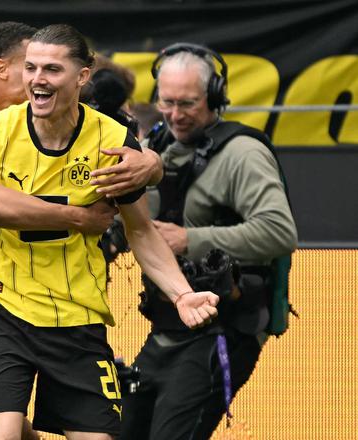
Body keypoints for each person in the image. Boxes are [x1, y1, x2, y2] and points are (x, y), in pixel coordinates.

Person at [0, 24, 218, 440]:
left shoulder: (112, 142)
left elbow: (142, 232)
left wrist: (182, 294)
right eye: (31, 68)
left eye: (52, 69)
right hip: (2, 312)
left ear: (82, 76)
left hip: (77, 317)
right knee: (2, 436)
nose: (37, 79)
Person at [119, 43, 298, 440]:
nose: (175, 114)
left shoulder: (243, 154)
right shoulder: (157, 148)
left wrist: (189, 239)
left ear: (215, 97)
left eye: (188, 103)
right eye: (167, 102)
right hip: (167, 328)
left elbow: (280, 232)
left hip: (222, 332)